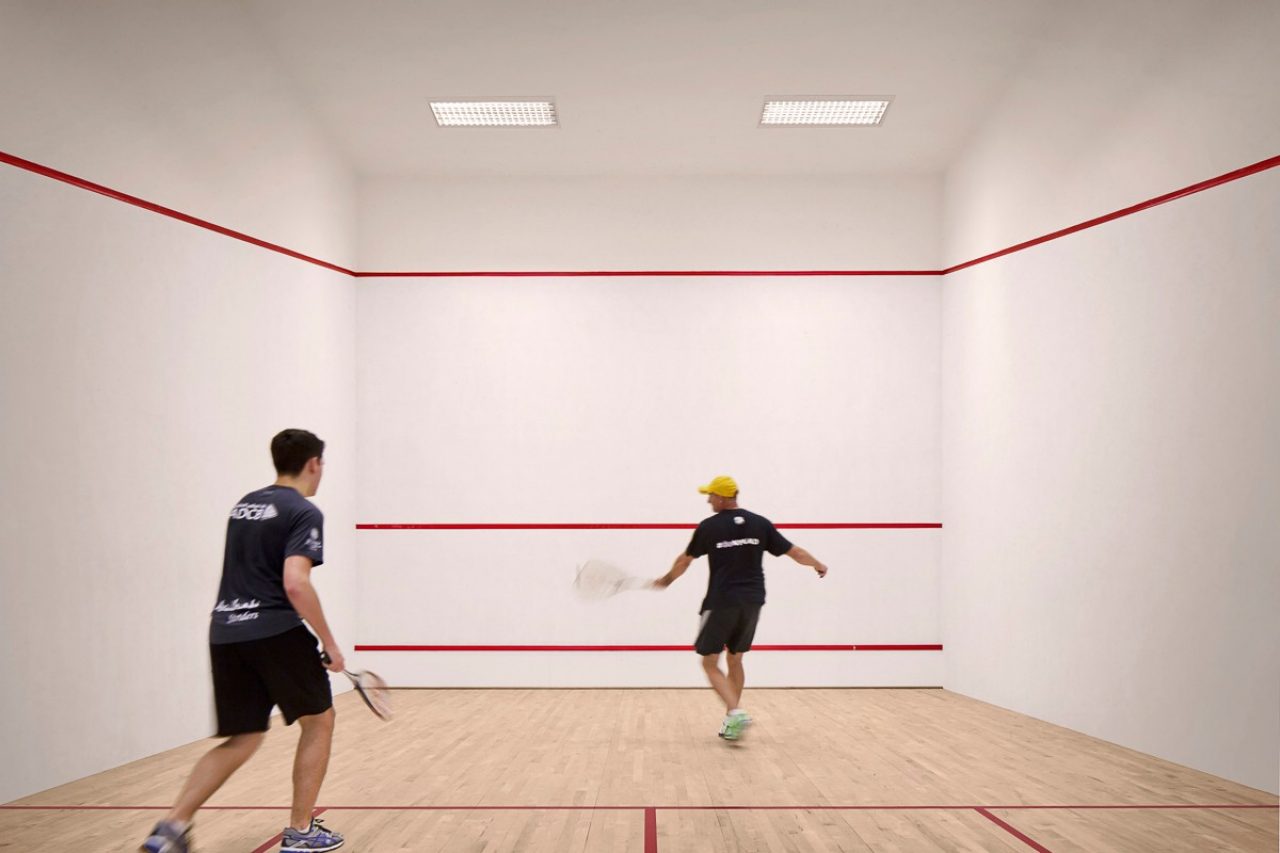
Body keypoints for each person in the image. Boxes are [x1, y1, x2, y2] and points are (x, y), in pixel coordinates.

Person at [140, 429, 346, 853]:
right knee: (319, 721)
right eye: (322, 463)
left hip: (226, 632)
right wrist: (329, 642)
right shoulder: (303, 511)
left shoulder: (244, 505)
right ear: (313, 463)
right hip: (275, 630)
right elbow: (295, 582)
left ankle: (171, 827)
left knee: (243, 736)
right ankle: (301, 830)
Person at [654, 475, 828, 741]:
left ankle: (735, 712)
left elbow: (684, 561)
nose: (708, 500)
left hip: (721, 602)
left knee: (709, 662)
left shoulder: (709, 527)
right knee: (735, 659)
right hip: (753, 601)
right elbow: (795, 552)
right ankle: (731, 720)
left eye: (711, 495)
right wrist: (818, 564)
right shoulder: (760, 523)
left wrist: (666, 580)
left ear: (723, 497)